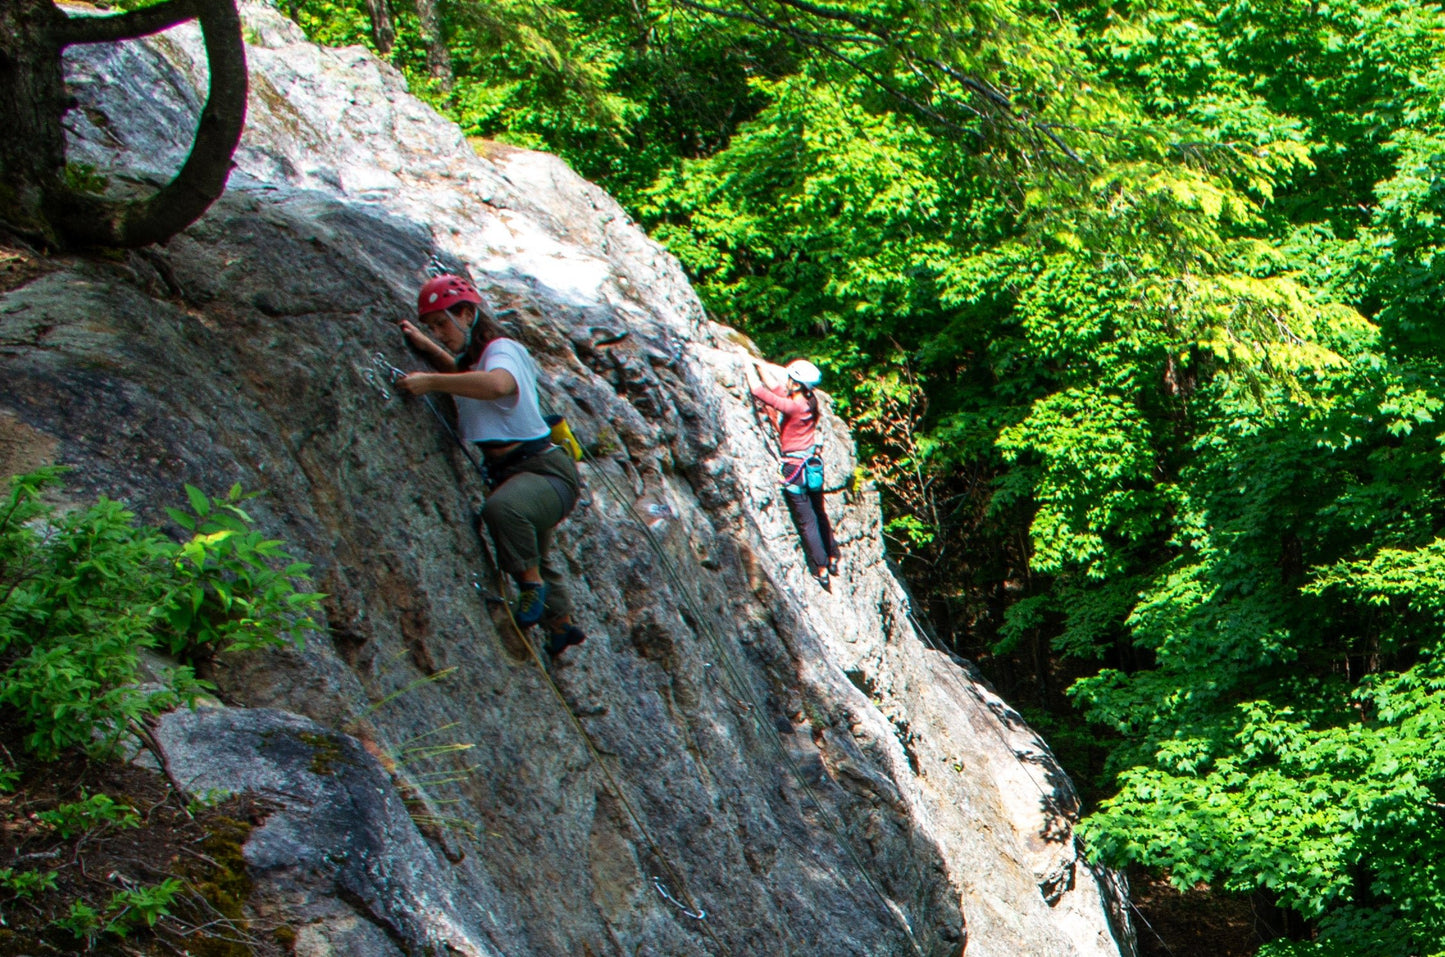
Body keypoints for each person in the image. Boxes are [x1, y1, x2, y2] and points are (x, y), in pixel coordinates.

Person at [396, 274, 585, 658]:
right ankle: (561, 627)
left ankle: (531, 590)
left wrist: (430, 382)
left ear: (467, 314)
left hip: (544, 472)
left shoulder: (503, 350)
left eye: (441, 324)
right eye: (432, 326)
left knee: (504, 511)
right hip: (521, 473)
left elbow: (497, 385)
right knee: (536, 550)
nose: (439, 332)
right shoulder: (476, 359)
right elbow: (466, 377)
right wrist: (428, 347)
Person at [750, 358, 841, 589]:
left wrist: (744, 365)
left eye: (791, 379)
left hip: (795, 469)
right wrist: (758, 363)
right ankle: (832, 557)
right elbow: (778, 388)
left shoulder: (793, 406)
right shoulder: (810, 401)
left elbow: (759, 391)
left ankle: (820, 567)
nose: (787, 381)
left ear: (798, 384)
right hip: (812, 466)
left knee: (807, 520)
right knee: (819, 512)